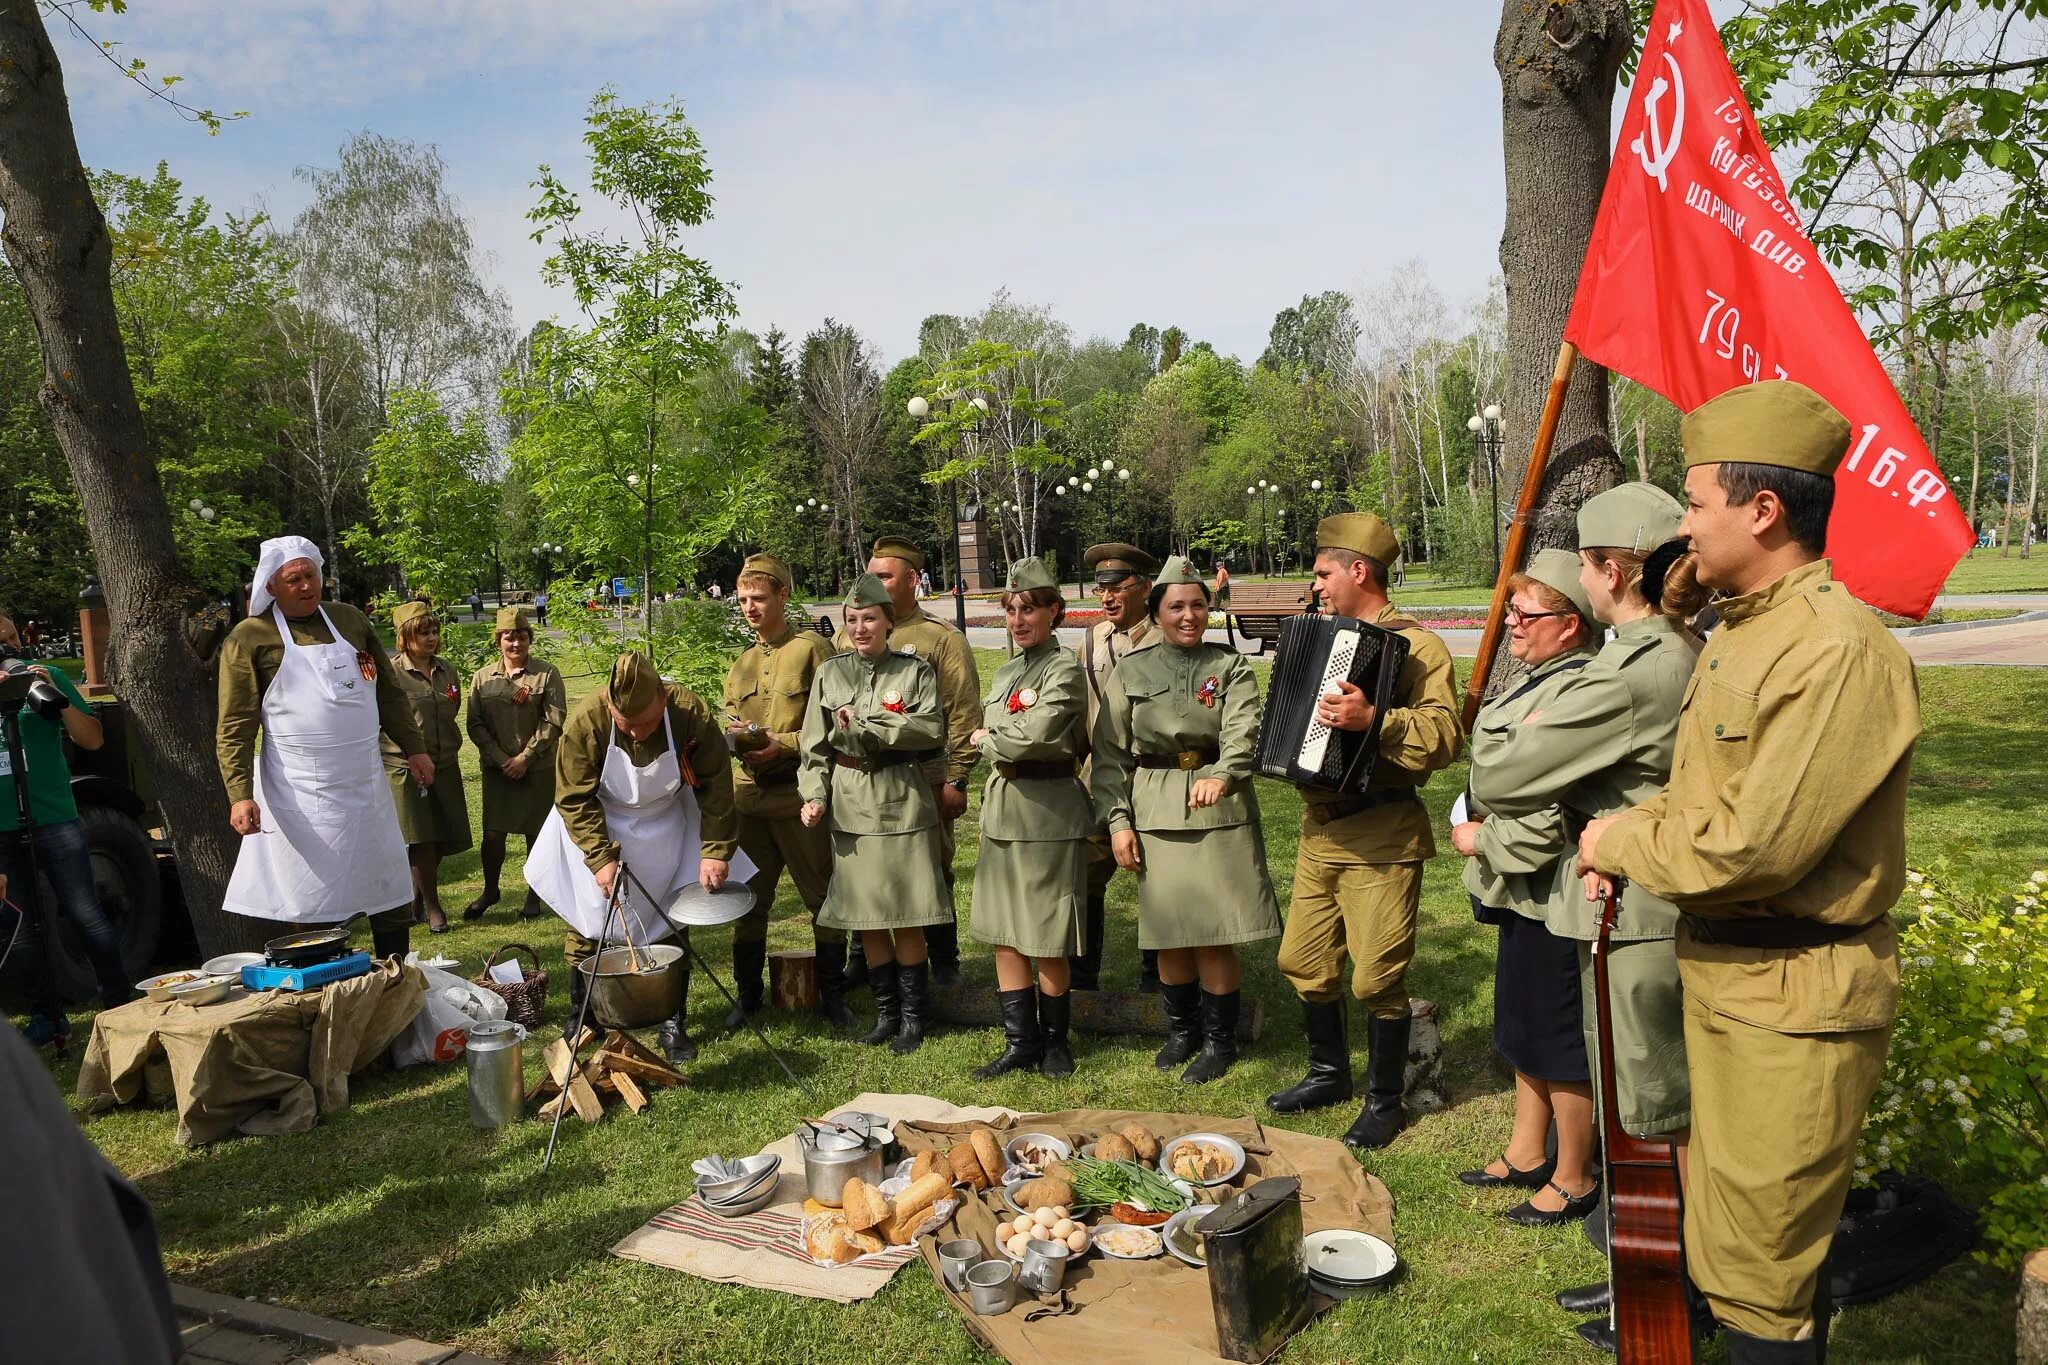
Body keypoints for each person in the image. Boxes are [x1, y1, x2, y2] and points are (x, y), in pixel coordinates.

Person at [1578, 381, 1918, 1362]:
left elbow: (1749, 849)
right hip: (1734, 980)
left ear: (1761, 511)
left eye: (1693, 503)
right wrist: (1624, 825)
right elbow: (1701, 799)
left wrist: (1614, 844)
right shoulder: (1750, 629)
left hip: (1794, 997)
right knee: (1728, 1251)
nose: (1680, 526)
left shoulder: (1832, 648)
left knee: (1760, 1278)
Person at [1458, 485, 1705, 1345]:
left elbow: (1500, 773)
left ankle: (1675, 1292)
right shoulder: (1662, 646)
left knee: (1652, 1110)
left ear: (1606, 571)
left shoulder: (1640, 662)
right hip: (1626, 892)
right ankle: (1646, 1276)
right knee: (1639, 1103)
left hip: (1638, 908)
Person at [1265, 513, 1463, 1149]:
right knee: (1302, 961)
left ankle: (1384, 1101)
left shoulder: (1418, 646)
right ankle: (1328, 1074)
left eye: (1323, 573)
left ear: (1358, 571)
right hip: (1318, 829)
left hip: (1381, 831)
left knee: (1377, 977)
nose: (1316, 585)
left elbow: (1445, 736)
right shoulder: (1324, 635)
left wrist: (1375, 718)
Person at [1451, 550, 1605, 1228]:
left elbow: (1549, 811)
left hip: (1553, 884)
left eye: (1526, 613)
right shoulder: (1541, 676)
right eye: (1512, 609)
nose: (1512, 621)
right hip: (1523, 888)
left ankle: (1573, 1173)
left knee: (1557, 1035)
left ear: (1569, 625)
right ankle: (1525, 1148)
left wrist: (1481, 839)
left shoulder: (1577, 689)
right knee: (1520, 1022)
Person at [1091, 555, 1282, 1084]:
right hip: (1155, 806)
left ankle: (1220, 1042)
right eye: (1176, 606)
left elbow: (1245, 733)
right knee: (1169, 931)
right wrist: (1117, 821)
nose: (1189, 615)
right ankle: (1183, 1031)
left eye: (1198, 604)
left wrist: (1223, 773)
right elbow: (1109, 755)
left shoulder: (1230, 666)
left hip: (1219, 807)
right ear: (1156, 612)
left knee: (1214, 933)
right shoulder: (1131, 670)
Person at [217, 537, 428, 962]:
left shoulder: (349, 620)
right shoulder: (250, 637)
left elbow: (388, 693)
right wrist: (239, 793)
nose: (305, 585)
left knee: (386, 881)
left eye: (310, 574)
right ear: (272, 587)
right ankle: (320, 984)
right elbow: (235, 724)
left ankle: (395, 975)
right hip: (301, 791)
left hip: (366, 781)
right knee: (312, 893)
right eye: (292, 579)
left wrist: (415, 748)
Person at [524, 652, 740, 1063]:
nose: (637, 734)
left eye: (645, 723)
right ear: (610, 707)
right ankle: (584, 1018)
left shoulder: (689, 712)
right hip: (598, 821)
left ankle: (673, 1021)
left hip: (666, 824)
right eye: (626, 725)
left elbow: (716, 786)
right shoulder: (588, 721)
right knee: (589, 920)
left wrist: (715, 849)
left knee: (673, 919)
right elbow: (573, 796)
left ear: (663, 699)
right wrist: (600, 856)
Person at [801, 575, 953, 1054]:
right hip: (850, 801)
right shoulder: (831, 673)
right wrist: (815, 796)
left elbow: (929, 728)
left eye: (870, 619)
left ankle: (913, 1015)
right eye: (852, 620)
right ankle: (886, 1013)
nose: (861, 628)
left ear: (889, 621)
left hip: (901, 797)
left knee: (906, 912)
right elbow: (814, 746)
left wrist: (869, 723)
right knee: (868, 915)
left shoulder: (915, 671)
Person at [834, 535, 979, 987]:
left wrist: (957, 777)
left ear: (913, 580)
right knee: (866, 864)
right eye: (871, 574)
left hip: (924, 773)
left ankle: (944, 958)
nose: (873, 582)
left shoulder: (939, 638)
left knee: (932, 865)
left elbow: (962, 710)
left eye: (884, 575)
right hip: (860, 778)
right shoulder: (846, 634)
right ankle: (864, 954)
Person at [968, 560, 1092, 1078]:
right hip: (1005, 807)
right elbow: (1011, 729)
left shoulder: (1063, 667)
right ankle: (1021, 1042)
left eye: (1030, 609)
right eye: (1012, 610)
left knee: (1047, 932)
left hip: (1048, 810)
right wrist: (999, 737)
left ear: (1053, 612)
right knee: (1005, 930)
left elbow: (1035, 735)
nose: (1019, 620)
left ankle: (1056, 1041)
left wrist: (986, 739)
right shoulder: (1005, 673)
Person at [719, 554, 849, 1029]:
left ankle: (833, 996)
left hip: (799, 797)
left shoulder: (812, 650)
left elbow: (839, 720)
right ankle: (748, 995)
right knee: (749, 900)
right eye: (743, 600)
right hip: (750, 800)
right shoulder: (742, 663)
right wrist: (738, 741)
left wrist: (784, 744)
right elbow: (732, 720)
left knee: (823, 897)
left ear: (782, 596)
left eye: (758, 598)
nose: (750, 608)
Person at [0, 632, 130, 1049]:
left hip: (55, 816)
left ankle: (119, 1000)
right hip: (1, 827)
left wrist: (55, 695)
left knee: (84, 912)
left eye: (12, 637)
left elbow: (91, 738)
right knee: (19, 928)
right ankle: (46, 1014)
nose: (9, 646)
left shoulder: (46, 676)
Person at [1071, 541, 1161, 994]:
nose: (1105, 597)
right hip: (1101, 777)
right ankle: (1082, 978)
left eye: (1116, 587)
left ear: (1144, 587)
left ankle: (1156, 978)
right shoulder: (1093, 640)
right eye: (1099, 587)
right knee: (1085, 872)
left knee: (1158, 875)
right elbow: (1083, 711)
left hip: (1154, 776)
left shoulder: (1168, 637)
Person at [462, 608, 566, 922]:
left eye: (521, 636)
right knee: (494, 834)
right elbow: (475, 723)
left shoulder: (546, 673)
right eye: (509, 637)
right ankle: (490, 890)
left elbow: (554, 720)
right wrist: (501, 758)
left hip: (537, 768)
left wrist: (525, 757)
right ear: (499, 641)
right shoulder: (482, 677)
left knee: (536, 833)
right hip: (498, 770)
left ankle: (535, 894)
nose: (515, 643)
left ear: (529, 639)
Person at [382, 601, 470, 935]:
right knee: (421, 838)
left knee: (443, 833)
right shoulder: (391, 673)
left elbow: (452, 705)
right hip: (405, 765)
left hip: (444, 761)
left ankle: (414, 901)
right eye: (423, 632)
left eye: (434, 631)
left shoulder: (447, 670)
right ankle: (434, 909)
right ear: (405, 636)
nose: (431, 638)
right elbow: (385, 718)